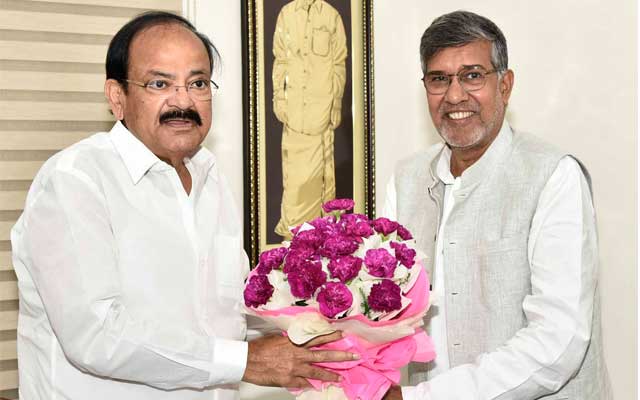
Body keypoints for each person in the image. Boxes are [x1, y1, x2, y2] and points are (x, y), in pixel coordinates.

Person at [10, 11, 356, 400]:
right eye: (160, 83)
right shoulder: (75, 180)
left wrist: (328, 323)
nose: (183, 102)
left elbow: (229, 317)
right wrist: (246, 361)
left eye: (198, 83)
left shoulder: (211, 179)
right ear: (117, 97)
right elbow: (96, 334)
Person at [382, 10, 612, 400]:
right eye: (439, 79)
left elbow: (556, 344)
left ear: (505, 85)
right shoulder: (405, 181)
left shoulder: (553, 176)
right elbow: (384, 312)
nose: (455, 95)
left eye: (473, 75)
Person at [272, 0, 347, 239]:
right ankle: (293, 237)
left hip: (320, 112)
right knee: (294, 182)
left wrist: (335, 106)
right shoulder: (287, 14)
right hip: (294, 113)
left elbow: (338, 65)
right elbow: (280, 61)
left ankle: (318, 238)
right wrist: (279, 99)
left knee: (318, 181)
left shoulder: (331, 16)